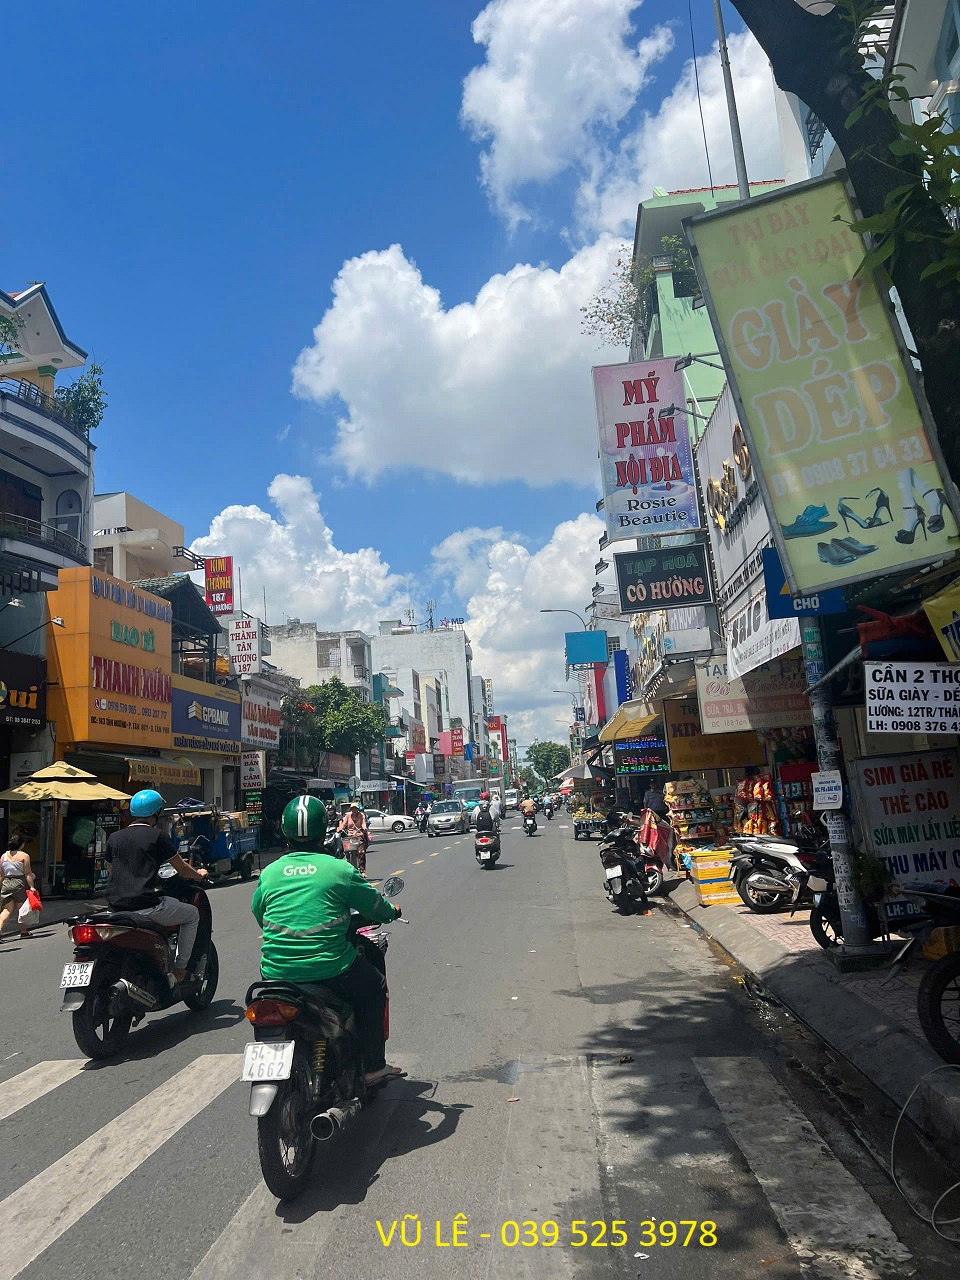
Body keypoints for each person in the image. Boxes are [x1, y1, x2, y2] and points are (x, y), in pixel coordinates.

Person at [252, 794, 404, 1087]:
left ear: (285, 831)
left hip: (274, 974)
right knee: (374, 987)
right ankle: (373, 1066)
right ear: (324, 831)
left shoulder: (270, 873)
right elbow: (375, 907)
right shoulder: (339, 870)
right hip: (331, 969)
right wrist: (392, 911)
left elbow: (260, 913)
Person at [104, 790, 209, 982]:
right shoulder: (157, 836)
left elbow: (111, 869)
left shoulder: (114, 838)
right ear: (157, 812)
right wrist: (199, 875)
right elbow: (182, 868)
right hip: (146, 907)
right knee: (192, 914)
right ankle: (180, 969)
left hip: (115, 910)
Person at [0, 838, 35, 941]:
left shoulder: (3, 856)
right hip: (19, 883)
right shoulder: (24, 856)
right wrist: (32, 887)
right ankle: (23, 931)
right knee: (21, 908)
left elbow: (1, 874)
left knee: (7, 910)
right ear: (21, 844)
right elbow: (27, 873)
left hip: (6, 883)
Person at [338, 802, 370, 874]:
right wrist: (340, 829)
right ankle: (348, 863)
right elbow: (343, 824)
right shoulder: (347, 816)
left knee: (361, 852)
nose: (354, 810)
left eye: (355, 808)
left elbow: (363, 823)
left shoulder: (361, 815)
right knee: (345, 850)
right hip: (349, 836)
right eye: (353, 809)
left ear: (357, 809)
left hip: (358, 835)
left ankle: (362, 870)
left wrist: (364, 828)